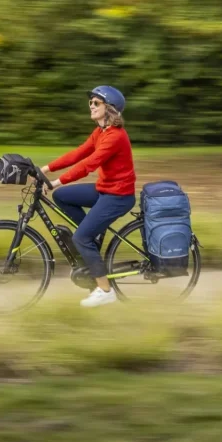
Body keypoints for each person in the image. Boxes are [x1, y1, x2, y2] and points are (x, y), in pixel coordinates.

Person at [41, 85, 136, 307]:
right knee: (63, 197)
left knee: (80, 238)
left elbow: (88, 164)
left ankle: (105, 290)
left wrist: (55, 182)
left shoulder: (115, 137)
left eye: (96, 103)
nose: (91, 106)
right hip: (105, 189)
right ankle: (89, 238)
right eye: (90, 102)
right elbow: (79, 153)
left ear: (109, 108)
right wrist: (45, 169)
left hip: (118, 196)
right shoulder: (100, 132)